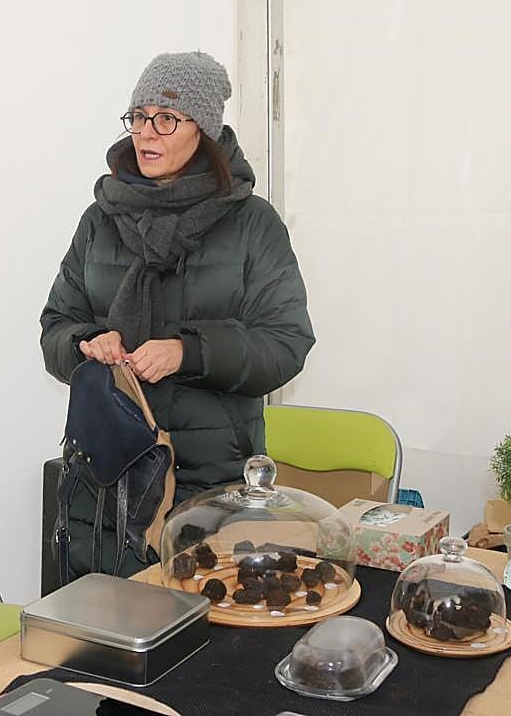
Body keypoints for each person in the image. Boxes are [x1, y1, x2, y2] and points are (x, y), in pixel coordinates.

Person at [40, 51, 315, 580]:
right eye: (139, 117)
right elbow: (56, 326)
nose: (147, 133)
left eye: (166, 119)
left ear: (204, 130)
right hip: (108, 478)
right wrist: (87, 342)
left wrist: (188, 352)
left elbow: (286, 343)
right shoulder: (100, 220)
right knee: (107, 623)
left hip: (212, 487)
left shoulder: (252, 225)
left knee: (204, 626)